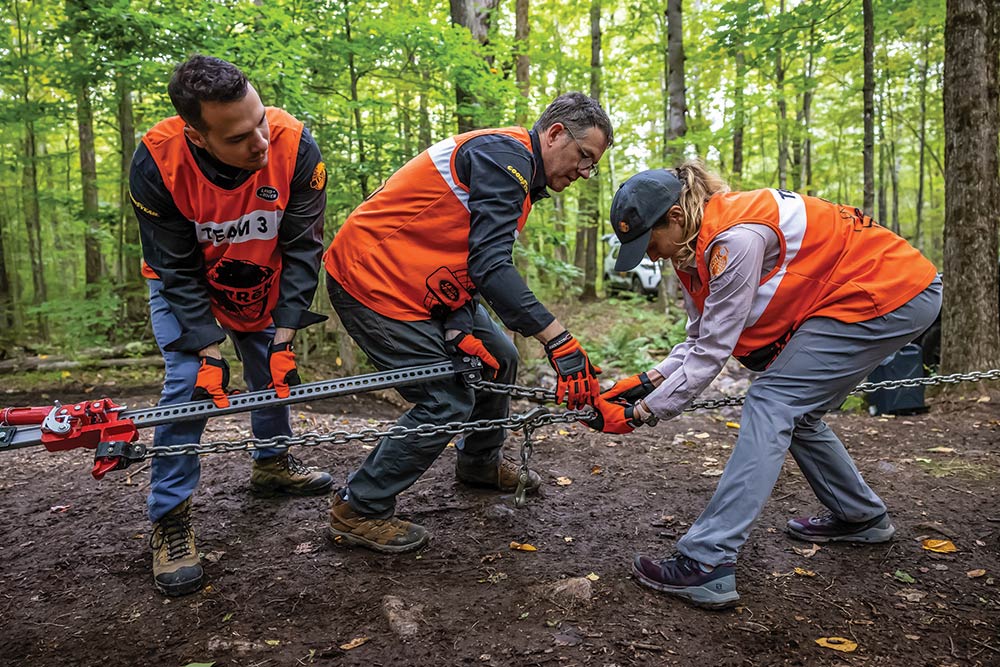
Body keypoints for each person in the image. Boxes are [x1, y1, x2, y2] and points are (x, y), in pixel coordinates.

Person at [587, 161, 941, 608]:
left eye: (649, 242)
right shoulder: (693, 248)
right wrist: (644, 381)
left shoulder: (735, 240)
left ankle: (707, 561)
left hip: (892, 290)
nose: (650, 256)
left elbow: (714, 354)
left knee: (772, 400)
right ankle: (860, 516)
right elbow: (700, 340)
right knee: (797, 412)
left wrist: (642, 414)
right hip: (879, 293)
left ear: (674, 218)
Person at [323, 92, 613, 553]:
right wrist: (558, 340)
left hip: (429, 285)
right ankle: (359, 508)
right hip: (374, 280)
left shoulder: (518, 176)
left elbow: (467, 252)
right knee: (446, 400)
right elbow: (492, 265)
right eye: (584, 157)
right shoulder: (505, 157)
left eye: (591, 165)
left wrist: (459, 320)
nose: (584, 172)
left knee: (502, 358)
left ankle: (479, 462)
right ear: (555, 134)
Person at [129, 55, 334, 597]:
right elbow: (174, 267)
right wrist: (209, 351)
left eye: (261, 119)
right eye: (241, 136)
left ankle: (272, 463)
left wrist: (286, 334)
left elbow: (303, 246)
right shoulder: (158, 162)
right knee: (188, 383)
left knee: (271, 367)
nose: (261, 141)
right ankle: (169, 517)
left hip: (262, 272)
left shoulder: (295, 147)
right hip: (187, 283)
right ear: (197, 136)